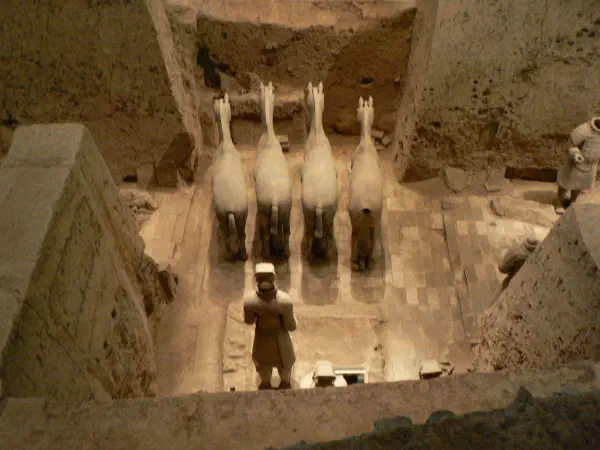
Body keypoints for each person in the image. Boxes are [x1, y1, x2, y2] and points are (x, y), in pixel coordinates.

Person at [244, 263, 296, 390]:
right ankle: (285, 384)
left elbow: (249, 321)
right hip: (281, 341)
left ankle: (266, 384)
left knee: (263, 367)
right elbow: (291, 326)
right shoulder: (284, 300)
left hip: (262, 340)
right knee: (285, 367)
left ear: (256, 279)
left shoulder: (250, 301)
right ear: (273, 278)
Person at [554, 117, 600, 214]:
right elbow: (571, 145)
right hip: (575, 164)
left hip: (591, 165)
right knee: (565, 185)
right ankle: (558, 202)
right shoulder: (584, 130)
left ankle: (572, 203)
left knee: (579, 187)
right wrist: (575, 154)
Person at [489, 237, 539, 307]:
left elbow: (502, 268)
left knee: (495, 305)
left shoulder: (516, 253)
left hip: (510, 285)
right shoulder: (541, 256)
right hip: (527, 291)